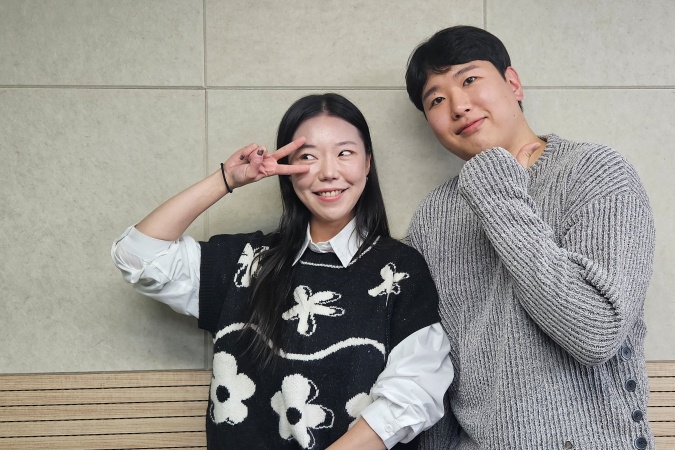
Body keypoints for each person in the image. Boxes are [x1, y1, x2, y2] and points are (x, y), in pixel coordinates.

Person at [111, 93, 453, 449]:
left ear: (367, 163)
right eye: (308, 157)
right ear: (287, 171)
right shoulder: (247, 262)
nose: (328, 172)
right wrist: (226, 179)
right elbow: (137, 256)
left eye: (344, 153)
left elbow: (414, 394)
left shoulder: (398, 271)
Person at [403, 26, 657, 450]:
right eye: (436, 100)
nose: (459, 106)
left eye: (469, 79)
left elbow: (595, 333)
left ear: (513, 84)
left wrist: (496, 190)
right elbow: (433, 367)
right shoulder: (432, 218)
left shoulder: (594, 171)